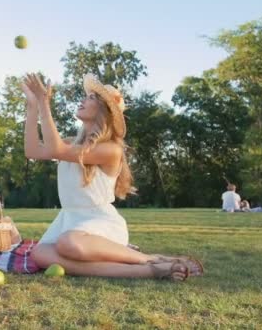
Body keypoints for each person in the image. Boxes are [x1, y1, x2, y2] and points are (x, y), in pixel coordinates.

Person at [23, 73, 203, 281]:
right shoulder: (71, 142)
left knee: (68, 243)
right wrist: (33, 105)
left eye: (91, 97)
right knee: (40, 253)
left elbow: (55, 149)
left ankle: (148, 261)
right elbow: (32, 151)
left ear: (104, 112)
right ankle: (145, 268)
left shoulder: (111, 150)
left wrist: (45, 104)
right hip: (69, 219)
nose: (83, 99)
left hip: (99, 221)